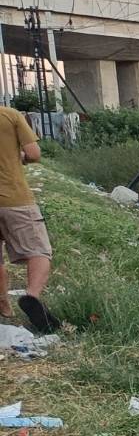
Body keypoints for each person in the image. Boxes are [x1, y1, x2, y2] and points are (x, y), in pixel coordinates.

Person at [0, 104, 57, 333]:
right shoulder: (9, 115)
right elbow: (33, 154)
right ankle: (31, 296)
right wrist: (19, 157)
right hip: (14, 198)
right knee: (39, 251)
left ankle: (4, 308)